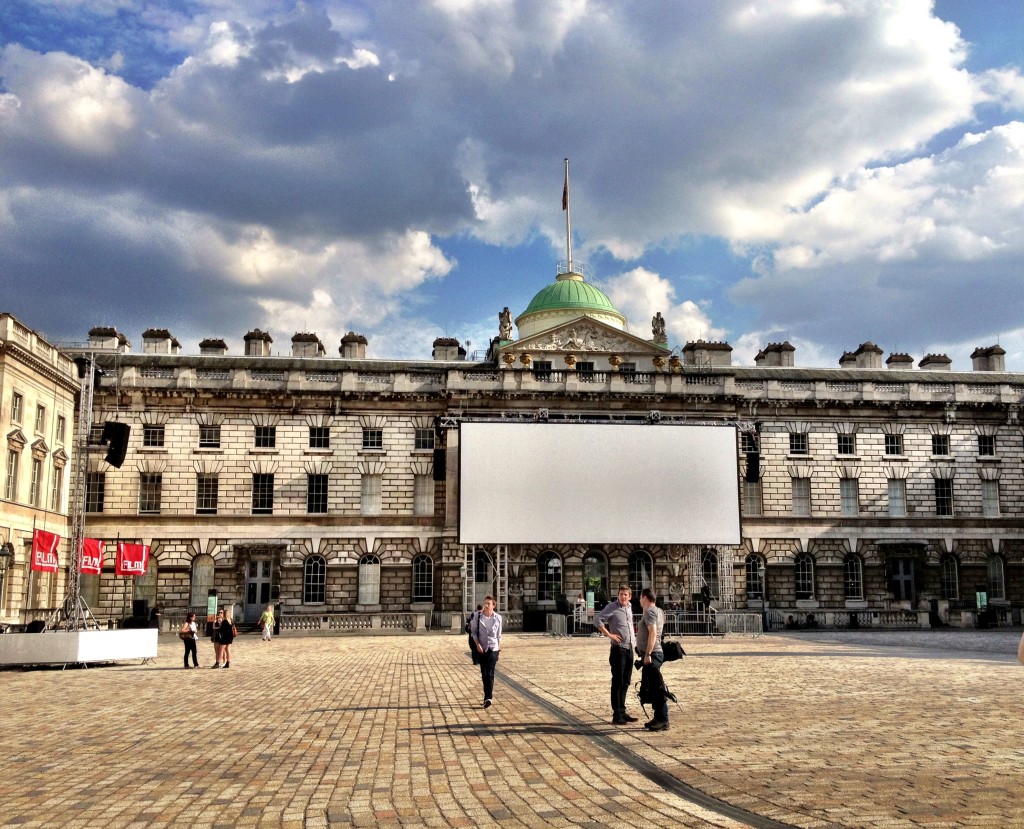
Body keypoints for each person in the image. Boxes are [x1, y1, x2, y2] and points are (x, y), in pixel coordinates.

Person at [593, 585, 637, 725]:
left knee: (626, 681)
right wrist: (609, 635)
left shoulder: (629, 607)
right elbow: (597, 620)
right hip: (618, 650)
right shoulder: (613, 607)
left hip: (629, 648)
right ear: (618, 595)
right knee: (617, 682)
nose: (623, 597)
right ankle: (616, 714)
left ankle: (623, 711)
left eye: (625, 595)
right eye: (621, 594)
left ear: (630, 596)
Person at [637, 588, 669, 731]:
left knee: (656, 687)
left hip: (653, 653)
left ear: (644, 597)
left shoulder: (650, 611)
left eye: (640, 597)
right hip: (655, 652)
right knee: (653, 686)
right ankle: (658, 717)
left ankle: (663, 719)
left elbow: (653, 633)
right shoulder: (659, 610)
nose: (639, 600)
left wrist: (648, 653)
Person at [472, 596, 502, 708]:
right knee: (484, 673)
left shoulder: (498, 618)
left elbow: (499, 636)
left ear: (493, 605)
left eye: (489, 603)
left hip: (493, 648)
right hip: (482, 647)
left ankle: (488, 697)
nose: (486, 605)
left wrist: (498, 650)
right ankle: (486, 696)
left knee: (490, 672)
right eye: (485, 603)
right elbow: (473, 632)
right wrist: (477, 644)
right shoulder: (477, 616)